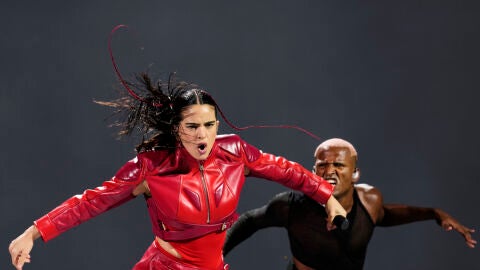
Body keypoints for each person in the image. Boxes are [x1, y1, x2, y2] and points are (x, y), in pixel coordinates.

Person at [8, 72, 348, 270]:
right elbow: (91, 202)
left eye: (209, 125)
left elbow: (284, 170)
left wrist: (326, 195)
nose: (202, 135)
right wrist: (33, 233)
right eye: (192, 126)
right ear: (176, 128)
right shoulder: (151, 169)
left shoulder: (235, 154)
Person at [223, 138, 476, 270]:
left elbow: (387, 215)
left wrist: (435, 213)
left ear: (355, 174)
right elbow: (249, 221)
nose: (329, 171)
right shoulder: (292, 205)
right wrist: (213, 257)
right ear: (313, 171)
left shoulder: (370, 201)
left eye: (338, 165)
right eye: (322, 165)